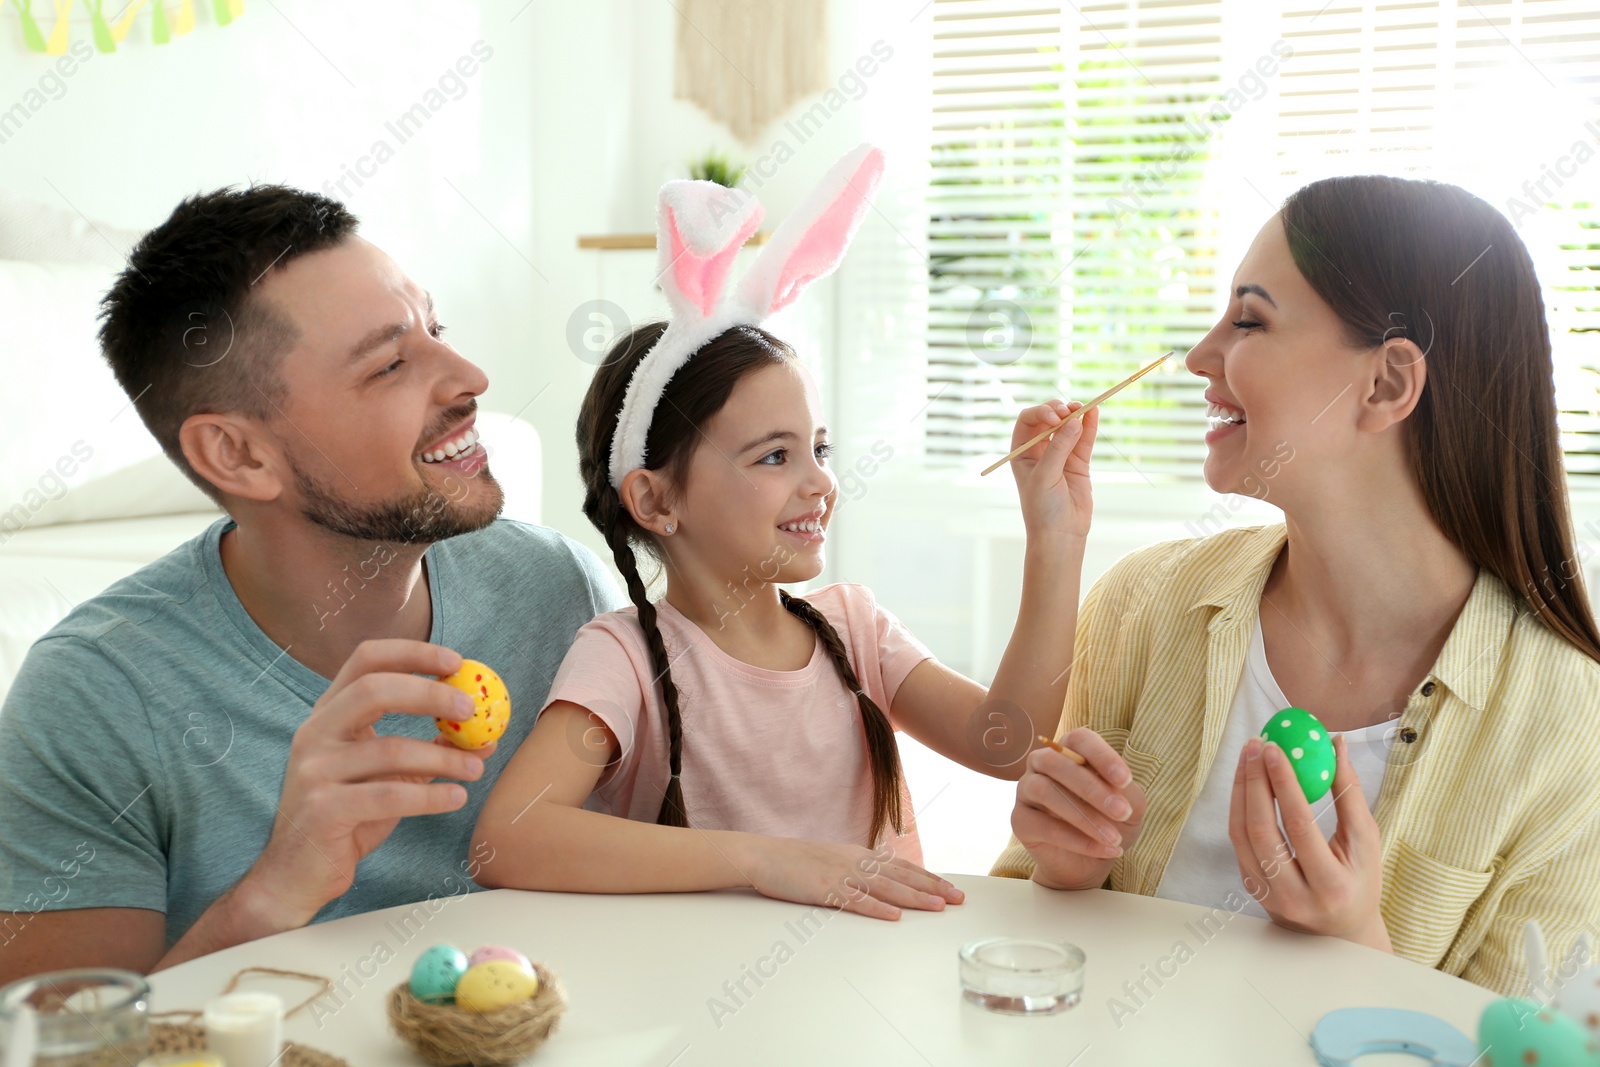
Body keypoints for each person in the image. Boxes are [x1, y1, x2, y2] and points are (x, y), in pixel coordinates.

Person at [993, 174, 1600, 997]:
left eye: (1250, 320)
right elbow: (1014, 962)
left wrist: (1357, 942)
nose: (1201, 357)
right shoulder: (1143, 605)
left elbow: (1537, 1048)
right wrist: (1061, 873)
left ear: (1387, 383)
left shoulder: (1572, 724)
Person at [0, 186, 623, 980]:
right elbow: (72, 1048)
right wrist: (275, 890)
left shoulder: (557, 589)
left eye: (438, 330)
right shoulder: (94, 696)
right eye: (391, 363)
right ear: (239, 455)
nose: (470, 377)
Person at [474, 146, 1095, 919]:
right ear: (657, 500)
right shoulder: (624, 657)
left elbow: (1008, 744)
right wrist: (764, 860)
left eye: (819, 449)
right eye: (775, 454)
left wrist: (1055, 536)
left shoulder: (855, 628)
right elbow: (508, 838)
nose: (821, 481)